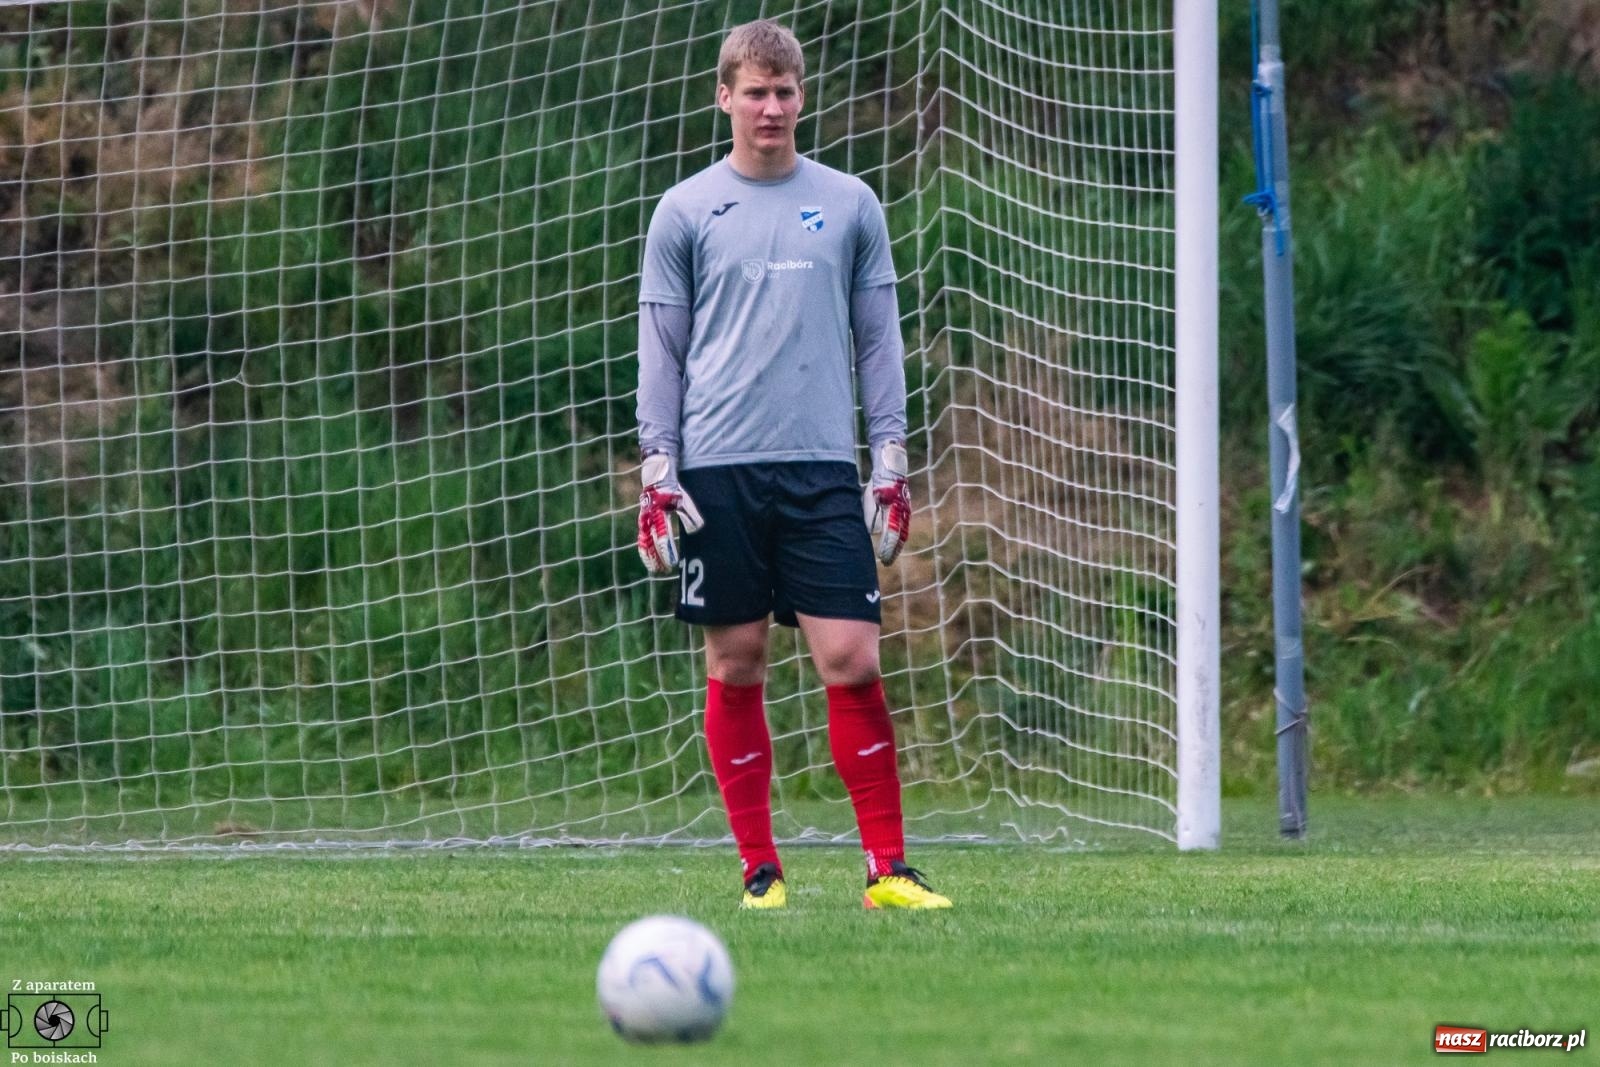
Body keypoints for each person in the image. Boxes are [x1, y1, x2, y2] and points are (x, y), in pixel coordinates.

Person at [634, 19, 951, 910]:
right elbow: (662, 347)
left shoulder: (851, 203)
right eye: (754, 91)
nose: (770, 107)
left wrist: (888, 454)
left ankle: (887, 870)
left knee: (850, 657)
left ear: (801, 97)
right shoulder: (686, 210)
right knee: (736, 662)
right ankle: (759, 872)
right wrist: (658, 466)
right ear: (724, 96)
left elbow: (879, 336)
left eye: (784, 91)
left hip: (820, 471)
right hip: (718, 473)